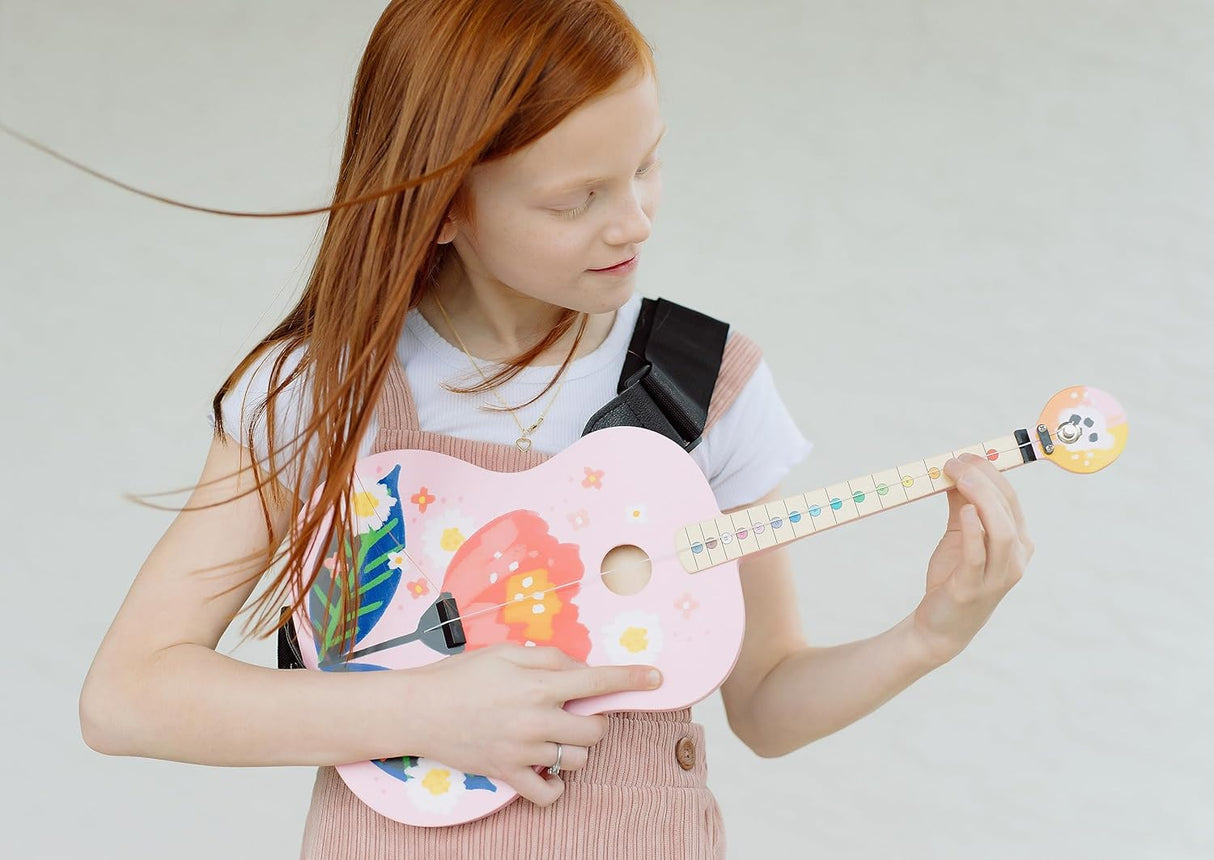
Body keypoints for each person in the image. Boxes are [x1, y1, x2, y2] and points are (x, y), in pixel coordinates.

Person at [78, 1, 1035, 857]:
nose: (635, 222)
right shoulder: (326, 391)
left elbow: (767, 704)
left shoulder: (705, 383)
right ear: (444, 205)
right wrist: (423, 710)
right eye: (576, 199)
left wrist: (929, 633)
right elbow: (129, 697)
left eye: (647, 164)